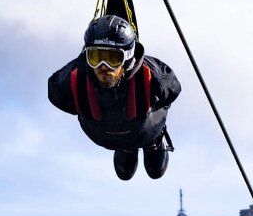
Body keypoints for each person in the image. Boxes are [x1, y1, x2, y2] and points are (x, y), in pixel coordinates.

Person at [47, 14, 181, 180]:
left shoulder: (152, 77)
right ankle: (126, 147)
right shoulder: (73, 80)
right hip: (105, 135)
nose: (104, 67)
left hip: (144, 131)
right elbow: (55, 92)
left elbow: (173, 88)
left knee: (155, 170)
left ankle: (152, 142)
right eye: (96, 57)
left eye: (112, 58)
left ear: (127, 57)